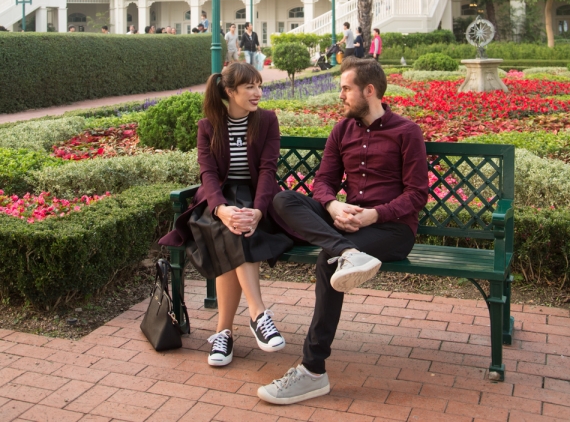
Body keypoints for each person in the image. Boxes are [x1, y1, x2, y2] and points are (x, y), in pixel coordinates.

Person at [257, 58, 429, 405]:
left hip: (392, 230)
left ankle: (312, 371)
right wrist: (333, 205)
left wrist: (372, 216)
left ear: (370, 90)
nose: (341, 95)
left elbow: (416, 195)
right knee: (284, 200)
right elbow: (324, 181)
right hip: (345, 224)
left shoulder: (406, 132)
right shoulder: (342, 130)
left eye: (346, 88)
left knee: (327, 261)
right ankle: (345, 251)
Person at [159, 62, 293, 366]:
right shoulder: (208, 126)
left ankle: (224, 332)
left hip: (256, 197)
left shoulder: (267, 121)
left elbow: (268, 169)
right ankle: (258, 313)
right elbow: (207, 173)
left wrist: (258, 211)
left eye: (259, 85)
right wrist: (220, 209)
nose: (258, 93)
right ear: (230, 92)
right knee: (229, 226)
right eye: (250, 87)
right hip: (218, 198)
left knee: (240, 226)